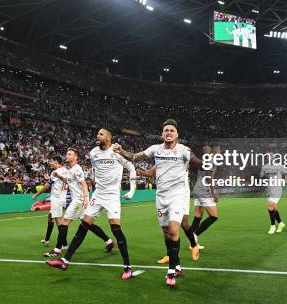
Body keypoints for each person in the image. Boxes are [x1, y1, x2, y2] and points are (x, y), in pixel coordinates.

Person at [113, 119, 202, 287]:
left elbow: (196, 161)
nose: (168, 132)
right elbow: (134, 157)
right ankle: (177, 265)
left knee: (175, 229)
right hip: (161, 196)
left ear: (177, 135)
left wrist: (207, 162)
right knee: (166, 233)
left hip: (178, 195)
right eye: (166, 130)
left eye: (172, 130)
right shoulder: (155, 150)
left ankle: (171, 271)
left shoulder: (183, 150)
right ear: (162, 134)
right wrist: (120, 150)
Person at [46, 128, 137, 280]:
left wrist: (132, 190)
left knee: (115, 228)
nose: (97, 135)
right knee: (84, 225)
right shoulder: (93, 152)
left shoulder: (116, 152)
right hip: (98, 194)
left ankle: (127, 267)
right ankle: (64, 261)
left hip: (113, 195)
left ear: (108, 138)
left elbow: (131, 168)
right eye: (97, 134)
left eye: (101, 134)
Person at [44, 147, 115, 257]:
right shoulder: (71, 170)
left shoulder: (76, 169)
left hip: (78, 201)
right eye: (67, 154)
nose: (67, 156)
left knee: (63, 223)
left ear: (75, 157)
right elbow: (68, 181)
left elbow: (83, 183)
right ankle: (109, 242)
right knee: (89, 224)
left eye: (69, 154)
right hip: (79, 201)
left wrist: (86, 198)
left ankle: (57, 250)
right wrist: (59, 176)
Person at [33, 156, 69, 245]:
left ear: (56, 162)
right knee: (50, 217)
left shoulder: (56, 172)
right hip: (62, 197)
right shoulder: (66, 170)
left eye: (52, 161)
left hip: (57, 199)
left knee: (59, 222)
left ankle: (64, 244)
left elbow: (47, 186)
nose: (50, 163)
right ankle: (47, 240)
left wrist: (37, 194)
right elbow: (58, 182)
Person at [191, 145, 220, 244]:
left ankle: (193, 243)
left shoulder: (206, 159)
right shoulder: (212, 160)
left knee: (198, 216)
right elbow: (208, 176)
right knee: (214, 216)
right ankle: (194, 235)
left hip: (197, 189)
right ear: (215, 150)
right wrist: (214, 191)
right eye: (219, 150)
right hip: (204, 191)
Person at [260, 152, 287, 234]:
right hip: (269, 190)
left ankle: (272, 226)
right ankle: (280, 223)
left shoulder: (279, 166)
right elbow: (262, 177)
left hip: (277, 189)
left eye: (270, 156)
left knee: (270, 206)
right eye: (267, 157)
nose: (269, 158)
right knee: (273, 208)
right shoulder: (264, 167)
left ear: (274, 158)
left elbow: (286, 173)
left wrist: (286, 181)